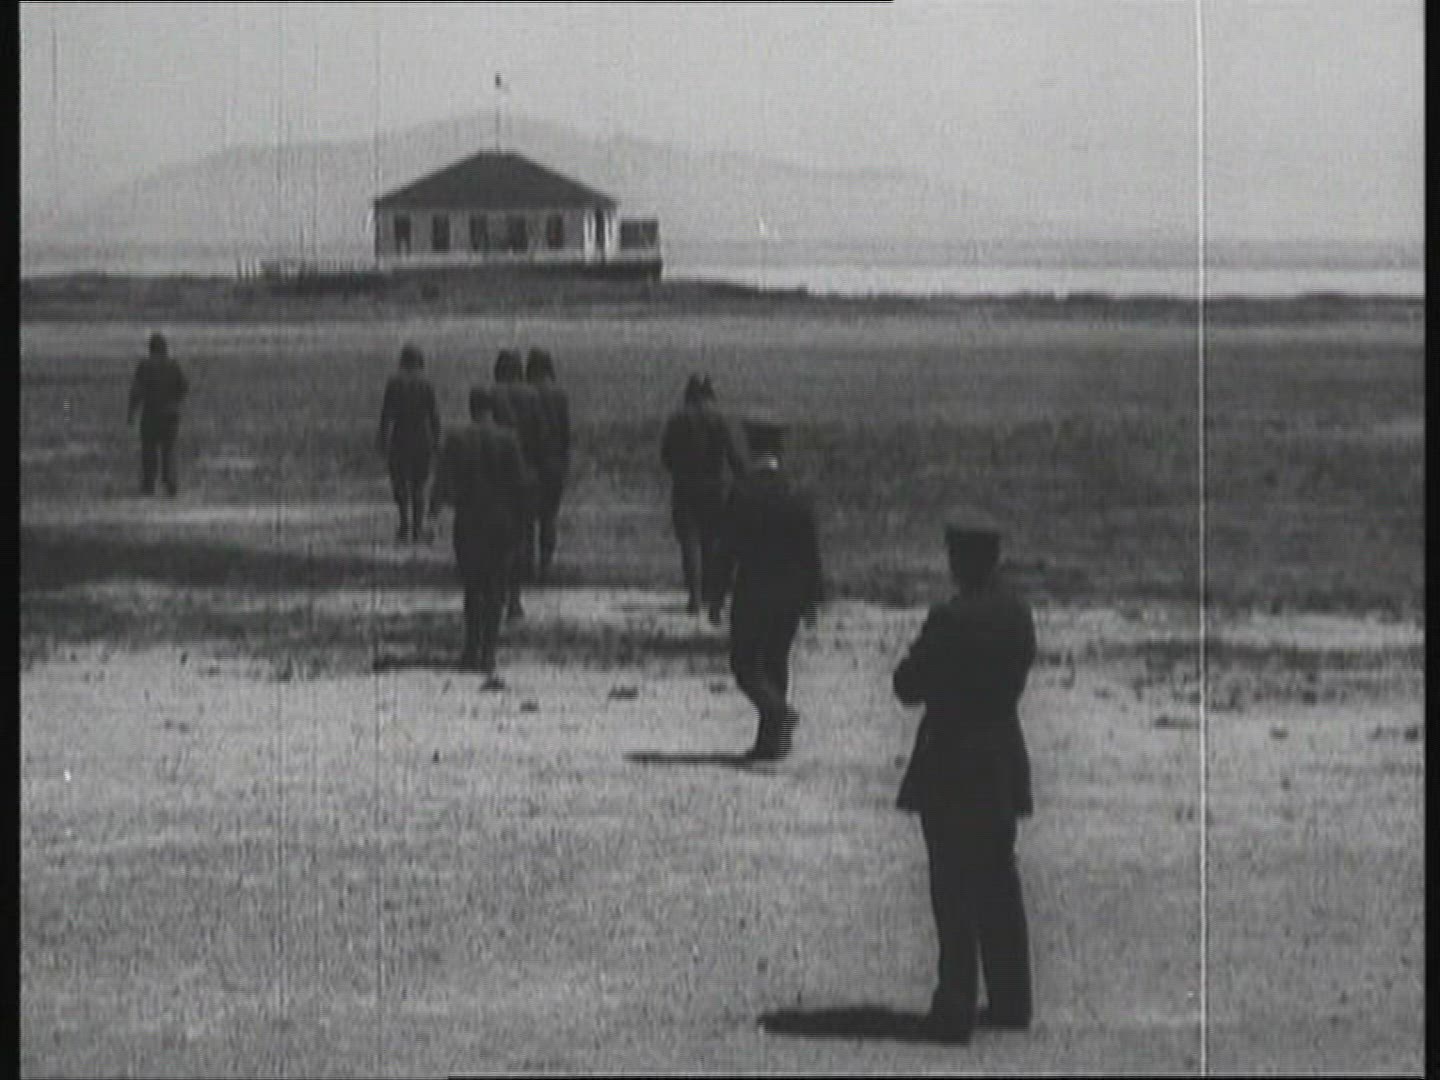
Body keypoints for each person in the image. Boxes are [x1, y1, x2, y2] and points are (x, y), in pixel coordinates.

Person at [891, 510, 1037, 1045]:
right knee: (999, 879)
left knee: (952, 887)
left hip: (952, 761)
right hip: (1001, 757)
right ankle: (1012, 998)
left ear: (961, 559)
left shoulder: (950, 619)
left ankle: (955, 1004)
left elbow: (907, 685)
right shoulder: (1017, 614)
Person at [707, 416, 823, 761]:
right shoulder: (797, 492)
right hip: (792, 592)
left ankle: (778, 714)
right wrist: (812, 599)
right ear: (780, 450)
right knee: (776, 661)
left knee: (745, 664)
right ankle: (772, 742)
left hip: (754, 589)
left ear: (750, 447)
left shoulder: (743, 492)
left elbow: (726, 548)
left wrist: (716, 594)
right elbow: (810, 550)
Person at [430, 386, 531, 687]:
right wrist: (522, 524)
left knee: (473, 587)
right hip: (502, 521)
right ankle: (489, 652)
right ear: (492, 409)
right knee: (496, 587)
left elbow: (442, 480)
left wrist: (433, 513)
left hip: (470, 520)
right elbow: (521, 485)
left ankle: (470, 649)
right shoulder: (509, 439)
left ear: (471, 408)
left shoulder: (457, 438)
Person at [660, 374, 746, 614]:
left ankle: (695, 596)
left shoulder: (677, 419)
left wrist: (679, 471)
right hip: (715, 489)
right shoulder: (719, 418)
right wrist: (742, 479)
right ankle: (711, 593)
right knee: (713, 542)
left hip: (685, 487)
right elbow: (734, 455)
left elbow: (666, 456)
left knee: (689, 542)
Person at [490, 349, 544, 620]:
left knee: (497, 536)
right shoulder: (532, 395)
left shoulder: (493, 393)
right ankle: (515, 595)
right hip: (527, 469)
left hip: (498, 473)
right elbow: (542, 433)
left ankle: (499, 591)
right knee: (523, 532)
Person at [377, 343, 441, 541]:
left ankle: (404, 523)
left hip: (400, 437)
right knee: (419, 486)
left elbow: (386, 415)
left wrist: (383, 440)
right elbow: (434, 416)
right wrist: (437, 441)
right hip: (422, 438)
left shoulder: (394, 383)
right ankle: (417, 528)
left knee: (400, 483)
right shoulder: (427, 383)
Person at [525, 348, 571, 582]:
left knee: (527, 517)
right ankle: (545, 564)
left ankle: (527, 565)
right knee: (549, 517)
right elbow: (565, 433)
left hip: (531, 462)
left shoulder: (527, 393)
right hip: (554, 462)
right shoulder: (560, 395)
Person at [126, 331, 189, 497]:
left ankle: (149, 484)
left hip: (150, 414)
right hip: (170, 415)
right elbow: (183, 387)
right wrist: (174, 401)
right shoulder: (173, 365)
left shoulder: (145, 366)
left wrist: (131, 413)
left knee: (149, 450)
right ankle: (170, 483)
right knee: (169, 450)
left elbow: (136, 391)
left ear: (151, 349)